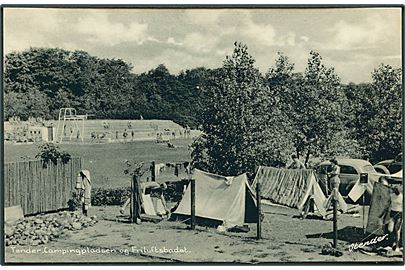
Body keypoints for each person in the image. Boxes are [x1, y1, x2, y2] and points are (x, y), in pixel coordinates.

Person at [387, 185, 403, 251]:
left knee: (397, 231)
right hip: (392, 213)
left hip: (399, 214)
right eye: (395, 190)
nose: (396, 191)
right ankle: (392, 243)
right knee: (390, 229)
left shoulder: (402, 196)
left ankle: (397, 246)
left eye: (397, 190)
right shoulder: (392, 195)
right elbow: (388, 204)